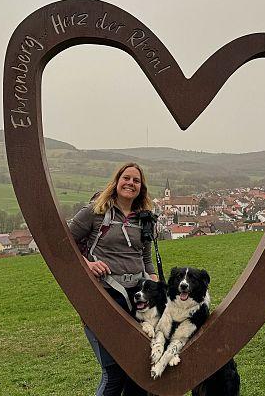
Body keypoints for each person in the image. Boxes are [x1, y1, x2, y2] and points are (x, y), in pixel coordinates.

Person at [68, 162, 158, 396]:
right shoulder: (95, 212)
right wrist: (87, 264)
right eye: (126, 178)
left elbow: (146, 258)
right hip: (105, 296)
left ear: (142, 188)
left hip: (137, 300)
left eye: (136, 180)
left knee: (139, 371)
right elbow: (64, 242)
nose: (130, 183)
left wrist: (154, 283)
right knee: (115, 371)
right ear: (116, 182)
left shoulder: (144, 220)